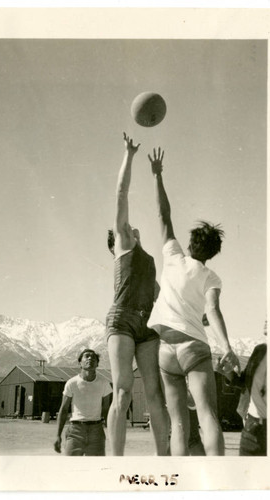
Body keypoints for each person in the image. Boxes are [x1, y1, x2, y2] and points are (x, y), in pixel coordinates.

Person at [147, 147, 240, 456]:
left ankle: (178, 482)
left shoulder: (173, 256)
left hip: (166, 350)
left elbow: (164, 215)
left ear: (189, 244)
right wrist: (226, 347)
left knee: (178, 425)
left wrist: (158, 175)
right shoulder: (211, 276)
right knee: (208, 417)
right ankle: (218, 483)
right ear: (213, 252)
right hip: (193, 347)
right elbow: (212, 310)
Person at [105, 133, 169, 456]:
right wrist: (128, 155)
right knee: (123, 392)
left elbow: (160, 296)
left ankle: (163, 462)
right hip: (122, 321)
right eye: (126, 227)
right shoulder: (123, 244)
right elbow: (121, 193)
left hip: (147, 323)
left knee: (155, 394)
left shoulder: (148, 261)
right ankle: (112, 464)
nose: (131, 226)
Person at [54, 349, 112, 456]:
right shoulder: (72, 383)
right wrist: (58, 435)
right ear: (80, 363)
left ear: (97, 364)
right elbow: (64, 409)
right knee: (71, 467)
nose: (90, 358)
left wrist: (112, 435)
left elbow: (106, 410)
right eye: (87, 356)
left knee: (96, 468)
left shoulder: (104, 384)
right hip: (75, 431)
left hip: (96, 431)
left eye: (93, 357)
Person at [227, 321, 267, 456]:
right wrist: (230, 373)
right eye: (266, 317)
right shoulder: (259, 350)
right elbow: (243, 381)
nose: (266, 320)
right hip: (251, 423)